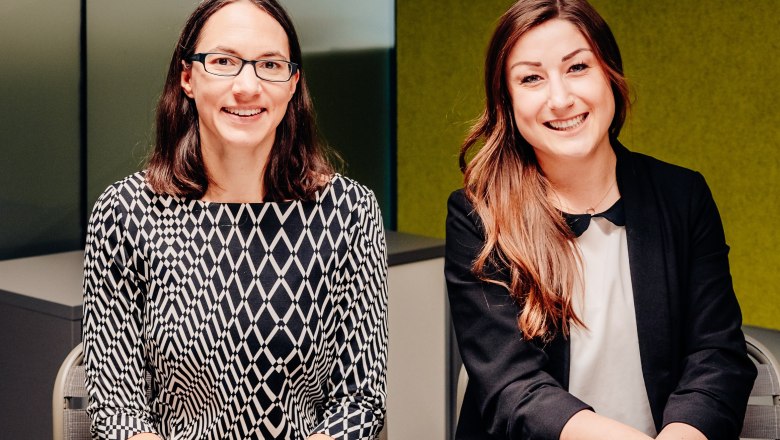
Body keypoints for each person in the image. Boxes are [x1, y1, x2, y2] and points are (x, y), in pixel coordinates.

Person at [445, 1, 756, 439]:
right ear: (507, 101)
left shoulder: (683, 196)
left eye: (576, 68)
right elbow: (514, 388)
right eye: (531, 78)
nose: (560, 98)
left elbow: (716, 355)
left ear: (610, 73)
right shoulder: (479, 216)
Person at [82, 1, 388, 439]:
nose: (248, 86)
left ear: (292, 83)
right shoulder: (125, 212)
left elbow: (358, 403)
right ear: (188, 77)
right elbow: (118, 408)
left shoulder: (349, 211)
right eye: (223, 62)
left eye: (270, 65)